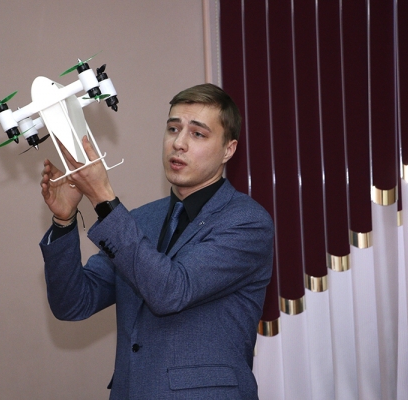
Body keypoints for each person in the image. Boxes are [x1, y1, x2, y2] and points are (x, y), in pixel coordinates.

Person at [39, 83, 274, 399]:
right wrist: (64, 221)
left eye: (198, 134)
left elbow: (171, 292)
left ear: (228, 150)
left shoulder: (247, 222)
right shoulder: (139, 220)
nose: (179, 143)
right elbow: (73, 303)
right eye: (173, 128)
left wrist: (103, 199)